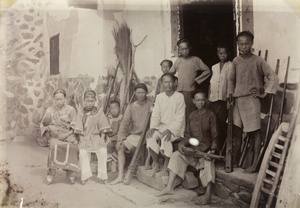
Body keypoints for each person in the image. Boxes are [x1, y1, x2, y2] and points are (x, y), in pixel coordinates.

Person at [155, 90, 218, 205]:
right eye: (198, 100)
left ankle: (208, 194)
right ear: (193, 101)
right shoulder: (191, 116)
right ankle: (169, 187)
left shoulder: (211, 115)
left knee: (209, 163)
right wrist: (182, 144)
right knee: (176, 155)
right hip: (193, 152)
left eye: (203, 100)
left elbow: (215, 136)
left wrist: (212, 150)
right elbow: (188, 136)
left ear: (206, 101)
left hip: (205, 152)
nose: (200, 102)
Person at [227, 31, 279, 173]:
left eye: (246, 43)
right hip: (237, 100)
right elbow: (231, 81)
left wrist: (264, 94)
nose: (244, 46)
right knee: (236, 131)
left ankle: (255, 164)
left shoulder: (258, 61)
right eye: (241, 43)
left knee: (255, 132)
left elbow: (273, 77)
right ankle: (236, 160)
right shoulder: (236, 61)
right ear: (237, 44)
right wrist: (230, 97)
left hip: (252, 100)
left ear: (251, 44)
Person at [110, 83, 152, 185]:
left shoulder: (150, 105)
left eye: (143, 92)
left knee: (152, 143)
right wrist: (120, 139)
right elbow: (124, 124)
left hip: (148, 134)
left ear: (146, 93)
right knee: (120, 147)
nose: (141, 95)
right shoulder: (131, 107)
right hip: (135, 136)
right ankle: (120, 176)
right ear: (135, 93)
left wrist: (151, 129)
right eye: (138, 93)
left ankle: (148, 166)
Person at [146, 73, 186, 177]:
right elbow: (156, 113)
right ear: (162, 83)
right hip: (161, 127)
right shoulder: (159, 97)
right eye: (165, 82)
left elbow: (179, 117)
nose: (168, 84)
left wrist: (170, 130)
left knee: (166, 139)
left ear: (174, 83)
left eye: (170, 82)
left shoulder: (179, 97)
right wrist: (152, 127)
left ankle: (165, 165)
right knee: (150, 138)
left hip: (175, 129)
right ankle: (156, 164)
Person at [74, 90, 112, 184]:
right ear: (84, 101)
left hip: (96, 138)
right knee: (83, 152)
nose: (89, 103)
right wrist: (81, 140)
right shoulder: (80, 112)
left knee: (103, 151)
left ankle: (102, 176)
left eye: (91, 101)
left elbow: (103, 125)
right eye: (87, 101)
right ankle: (85, 175)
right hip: (85, 138)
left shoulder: (99, 112)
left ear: (95, 101)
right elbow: (78, 127)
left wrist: (102, 139)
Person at [42, 89, 79, 185]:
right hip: (55, 136)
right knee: (55, 147)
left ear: (65, 99)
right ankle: (51, 174)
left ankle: (71, 175)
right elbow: (43, 124)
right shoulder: (49, 110)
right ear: (53, 99)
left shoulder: (71, 110)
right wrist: (51, 128)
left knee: (73, 147)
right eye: (57, 99)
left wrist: (66, 134)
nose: (59, 101)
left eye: (61, 99)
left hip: (68, 135)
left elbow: (76, 126)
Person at [169, 38, 211, 120]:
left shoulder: (195, 60)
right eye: (182, 49)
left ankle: (190, 131)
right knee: (180, 112)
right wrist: (175, 82)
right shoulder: (178, 61)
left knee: (190, 112)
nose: (184, 51)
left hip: (190, 90)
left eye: (186, 49)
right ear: (179, 50)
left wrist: (197, 80)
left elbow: (207, 71)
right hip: (179, 90)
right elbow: (170, 73)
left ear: (190, 48)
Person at [208, 44, 233, 151]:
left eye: (225, 53)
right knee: (213, 124)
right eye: (220, 53)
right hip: (213, 100)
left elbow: (232, 83)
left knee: (221, 124)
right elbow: (211, 83)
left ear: (228, 53)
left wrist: (229, 99)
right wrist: (208, 97)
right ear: (217, 54)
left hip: (223, 100)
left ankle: (221, 150)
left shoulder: (231, 65)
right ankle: (214, 147)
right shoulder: (214, 67)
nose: (223, 55)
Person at [106, 100, 123, 171]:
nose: (113, 110)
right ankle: (108, 166)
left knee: (119, 147)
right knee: (108, 146)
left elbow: (123, 130)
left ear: (119, 108)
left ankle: (115, 163)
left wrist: (120, 138)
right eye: (112, 109)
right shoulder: (108, 118)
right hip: (109, 137)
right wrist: (107, 138)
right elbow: (105, 129)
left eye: (115, 108)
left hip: (119, 137)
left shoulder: (121, 118)